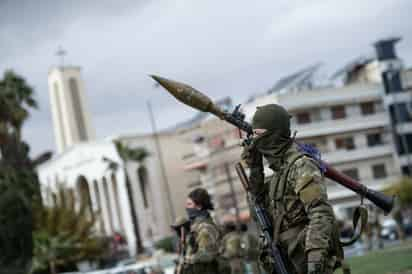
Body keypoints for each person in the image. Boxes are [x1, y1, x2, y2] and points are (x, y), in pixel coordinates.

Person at [242, 104, 344, 274]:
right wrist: (255, 167)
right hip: (285, 259)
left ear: (273, 133)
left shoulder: (301, 165)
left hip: (305, 261)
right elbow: (257, 208)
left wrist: (315, 260)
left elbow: (320, 213)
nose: (254, 141)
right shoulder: (278, 173)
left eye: (258, 134)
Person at [181, 188, 221, 274]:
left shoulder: (205, 227)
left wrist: (189, 258)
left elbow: (207, 254)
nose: (187, 208)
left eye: (189, 204)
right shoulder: (196, 227)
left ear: (199, 206)